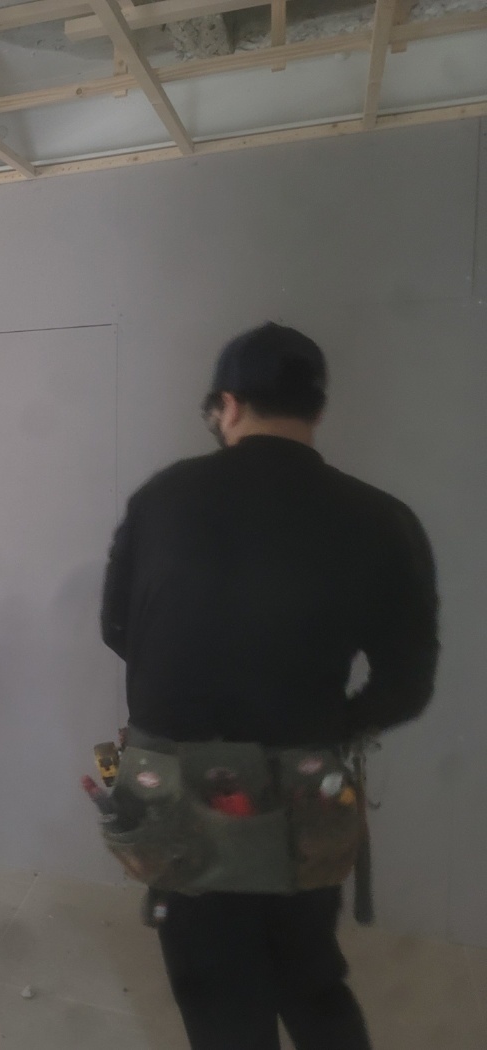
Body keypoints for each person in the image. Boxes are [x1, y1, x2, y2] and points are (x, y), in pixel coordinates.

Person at [98, 322, 439, 1050]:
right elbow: (409, 683)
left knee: (215, 993)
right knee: (311, 978)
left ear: (227, 405)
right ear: (318, 409)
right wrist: (327, 723)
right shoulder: (383, 519)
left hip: (178, 792)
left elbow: (118, 628)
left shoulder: (161, 499)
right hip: (304, 791)